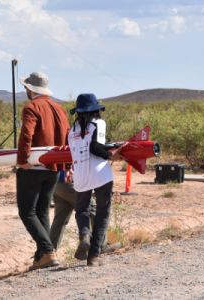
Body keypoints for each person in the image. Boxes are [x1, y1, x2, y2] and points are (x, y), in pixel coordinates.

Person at [16, 71, 70, 270]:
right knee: (42, 211)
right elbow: (67, 137)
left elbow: (27, 133)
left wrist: (22, 159)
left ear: (30, 89)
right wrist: (66, 165)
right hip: (54, 168)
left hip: (33, 168)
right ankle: (42, 257)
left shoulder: (31, 107)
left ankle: (47, 251)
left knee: (27, 211)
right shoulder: (60, 109)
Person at [68, 93, 119, 266]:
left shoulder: (72, 130)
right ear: (95, 110)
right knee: (102, 214)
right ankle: (94, 256)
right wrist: (111, 156)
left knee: (81, 210)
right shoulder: (99, 123)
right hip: (100, 174)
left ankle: (84, 234)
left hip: (80, 175)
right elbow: (95, 147)